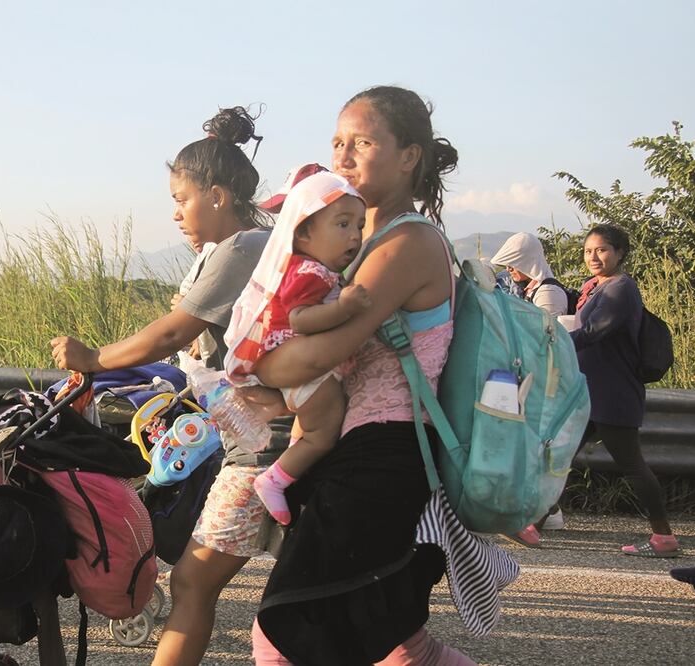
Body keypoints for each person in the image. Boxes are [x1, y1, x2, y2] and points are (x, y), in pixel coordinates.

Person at [246, 86, 481, 665]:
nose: (342, 156)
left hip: (386, 451)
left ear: (409, 157)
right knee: (400, 644)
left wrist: (255, 364)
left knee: (285, 635)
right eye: (337, 143)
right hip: (368, 447)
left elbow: (325, 352)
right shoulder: (358, 240)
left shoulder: (405, 243)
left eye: (363, 142)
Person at [49, 106, 288, 666]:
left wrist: (94, 359)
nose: (176, 213)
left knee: (193, 583)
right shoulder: (239, 248)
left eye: (182, 199)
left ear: (219, 195)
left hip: (263, 445)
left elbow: (174, 332)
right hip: (257, 436)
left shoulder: (243, 248)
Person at [224, 164, 370, 525]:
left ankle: (289, 474)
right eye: (342, 224)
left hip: (293, 365)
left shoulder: (315, 269)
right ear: (302, 233)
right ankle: (275, 479)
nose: (354, 236)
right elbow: (299, 319)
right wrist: (345, 308)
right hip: (296, 362)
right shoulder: (310, 272)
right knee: (323, 433)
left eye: (359, 226)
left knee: (315, 427)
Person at [571, 224, 679, 557]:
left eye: (602, 250)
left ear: (619, 253)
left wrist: (552, 340)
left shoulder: (620, 288)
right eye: (589, 251)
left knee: (632, 464)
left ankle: (664, 537)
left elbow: (593, 331)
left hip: (613, 391)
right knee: (561, 455)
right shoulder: (595, 287)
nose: (594, 257)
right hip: (591, 389)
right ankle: (531, 521)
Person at [489, 231, 570, 545]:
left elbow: (549, 340)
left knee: (537, 448)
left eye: (514, 265)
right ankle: (549, 512)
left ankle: (536, 516)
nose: (510, 271)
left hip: (544, 381)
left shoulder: (548, 294)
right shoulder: (533, 289)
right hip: (535, 378)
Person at [490, 231, 569, 317]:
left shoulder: (548, 292)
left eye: (513, 264)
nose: (508, 269)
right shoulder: (527, 288)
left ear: (527, 262)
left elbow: (548, 328)